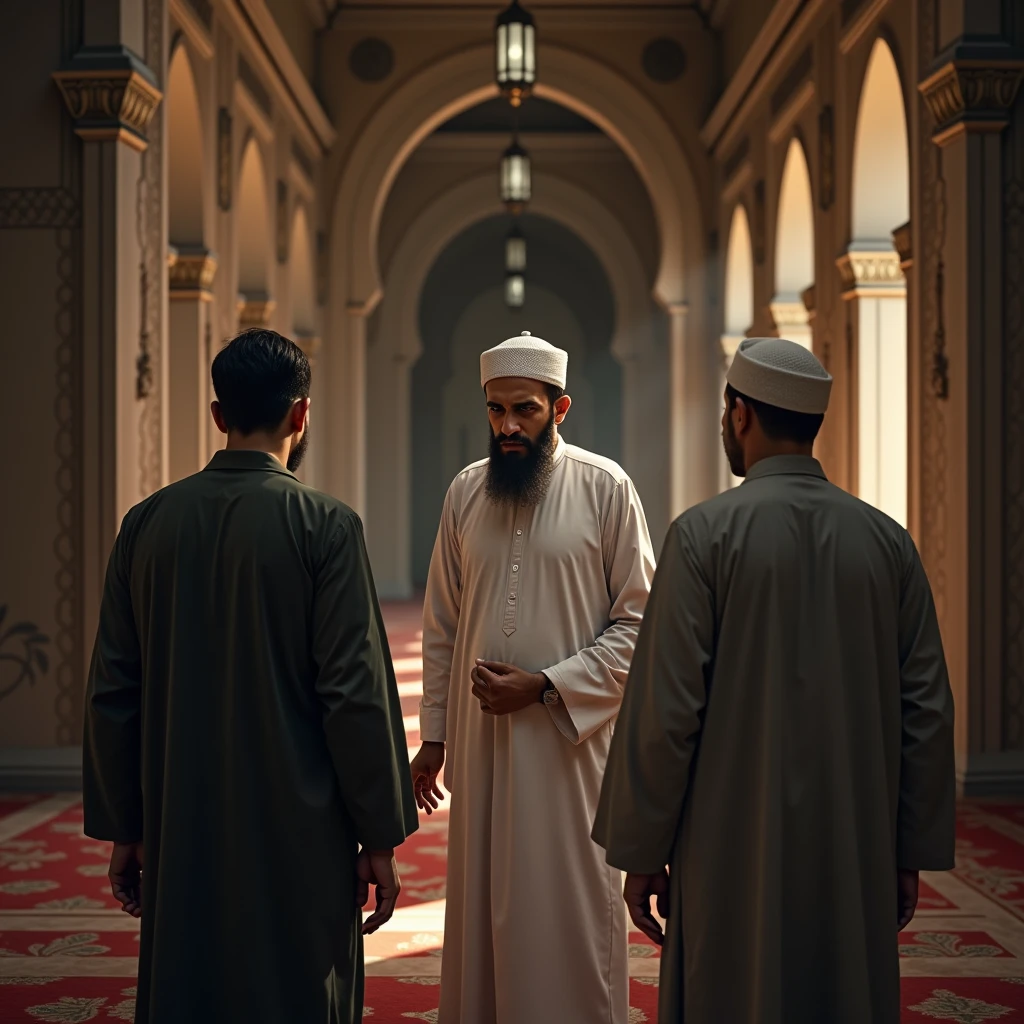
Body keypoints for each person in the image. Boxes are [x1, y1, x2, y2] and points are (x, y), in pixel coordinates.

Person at [593, 336, 956, 1024]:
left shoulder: (702, 537)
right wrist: (909, 848)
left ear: (739, 414)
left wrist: (642, 850)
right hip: (855, 839)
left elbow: (667, 712)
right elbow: (927, 711)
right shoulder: (887, 543)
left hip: (731, 844)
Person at [82, 328, 418, 1024]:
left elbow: (115, 691)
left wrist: (126, 825)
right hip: (301, 830)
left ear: (217, 415)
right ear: (301, 415)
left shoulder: (145, 527)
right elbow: (354, 696)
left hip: (182, 821)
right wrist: (379, 836)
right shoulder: (325, 527)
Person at [412, 331, 656, 1023]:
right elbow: (443, 627)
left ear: (561, 408)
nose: (508, 426)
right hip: (482, 750)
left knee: (570, 907)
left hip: (571, 751)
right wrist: (434, 736)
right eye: (495, 411)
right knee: (485, 909)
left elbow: (642, 625)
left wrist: (546, 685)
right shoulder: (466, 491)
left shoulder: (606, 488)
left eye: (524, 409)